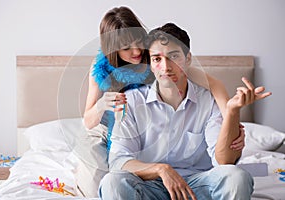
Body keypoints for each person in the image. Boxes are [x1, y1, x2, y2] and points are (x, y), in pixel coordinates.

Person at [80, 6, 243, 197]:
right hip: (106, 125)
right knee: (104, 181)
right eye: (126, 48)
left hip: (189, 173)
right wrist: (102, 105)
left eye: (138, 42)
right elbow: (88, 122)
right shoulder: (102, 69)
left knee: (235, 176)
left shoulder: (161, 60)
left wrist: (230, 120)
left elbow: (214, 85)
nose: (136, 52)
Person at [98, 23, 272, 200]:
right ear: (150, 64)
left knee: (236, 177)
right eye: (157, 59)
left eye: (173, 57)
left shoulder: (209, 100)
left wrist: (232, 111)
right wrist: (161, 169)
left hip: (198, 186)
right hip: (149, 186)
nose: (166, 67)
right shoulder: (132, 101)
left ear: (187, 58)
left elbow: (224, 162)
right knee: (113, 181)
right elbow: (119, 161)